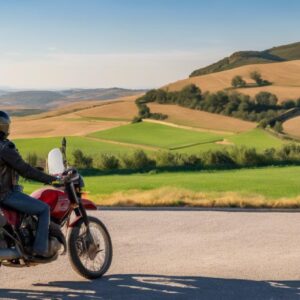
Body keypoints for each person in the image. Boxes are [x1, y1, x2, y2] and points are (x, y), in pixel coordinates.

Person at [0, 111, 58, 257]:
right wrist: (49, 179)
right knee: (44, 209)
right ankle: (39, 250)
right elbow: (25, 169)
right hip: (6, 195)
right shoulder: (5, 148)